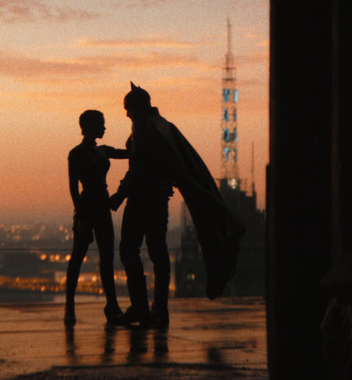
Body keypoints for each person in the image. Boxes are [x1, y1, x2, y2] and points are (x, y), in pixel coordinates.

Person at [109, 82, 245, 328]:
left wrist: (120, 194)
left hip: (142, 197)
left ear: (138, 106)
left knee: (129, 249)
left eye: (128, 108)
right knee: (158, 251)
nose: (126, 113)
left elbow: (140, 166)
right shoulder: (163, 125)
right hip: (160, 198)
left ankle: (140, 307)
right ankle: (160, 309)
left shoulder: (142, 126)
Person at [66, 110, 129, 327]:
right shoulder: (76, 154)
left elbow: (128, 153)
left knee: (107, 258)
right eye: (101, 124)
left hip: (102, 207)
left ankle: (112, 306)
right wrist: (80, 215)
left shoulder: (102, 151)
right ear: (89, 126)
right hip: (88, 207)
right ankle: (70, 306)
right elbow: (74, 188)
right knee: (78, 257)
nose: (104, 128)